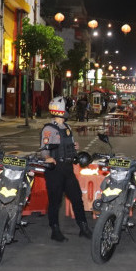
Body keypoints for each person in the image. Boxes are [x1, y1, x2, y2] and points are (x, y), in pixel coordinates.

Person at [39, 96, 92, 242]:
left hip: (68, 168)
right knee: (55, 201)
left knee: (77, 198)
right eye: (66, 108)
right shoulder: (49, 129)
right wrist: (47, 157)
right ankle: (55, 230)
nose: (68, 111)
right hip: (55, 169)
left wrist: (75, 148)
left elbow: (70, 145)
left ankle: (83, 227)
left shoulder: (67, 128)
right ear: (61, 110)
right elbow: (44, 148)